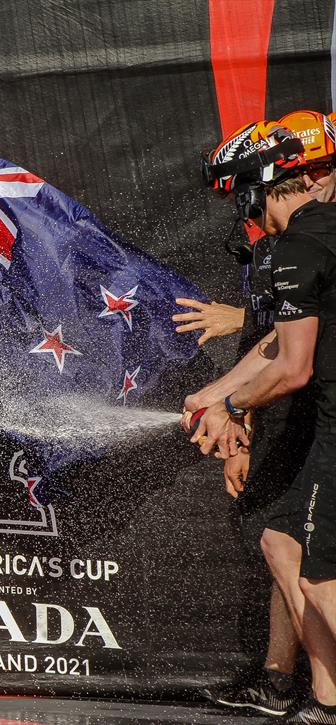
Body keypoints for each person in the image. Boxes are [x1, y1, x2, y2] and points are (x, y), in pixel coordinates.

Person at [173, 110, 335, 718]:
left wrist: (232, 405)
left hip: (316, 415)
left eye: (249, 197)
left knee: (311, 566)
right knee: (284, 543)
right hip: (300, 411)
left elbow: (291, 359)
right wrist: (215, 397)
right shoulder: (293, 244)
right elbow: (280, 338)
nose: (248, 216)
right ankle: (315, 694)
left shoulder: (303, 239)